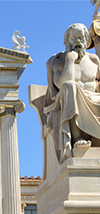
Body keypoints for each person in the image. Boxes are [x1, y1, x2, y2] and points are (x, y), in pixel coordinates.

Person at [44, 23, 100, 161]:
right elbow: (62, 84)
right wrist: (70, 61)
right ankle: (76, 138)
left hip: (94, 99)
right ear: (66, 40)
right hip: (68, 99)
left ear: (87, 39)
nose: (78, 42)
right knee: (70, 86)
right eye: (74, 38)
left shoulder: (94, 60)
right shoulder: (58, 61)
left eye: (81, 38)